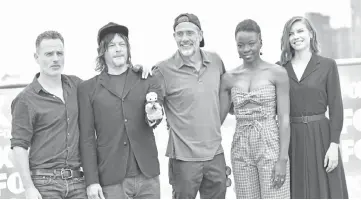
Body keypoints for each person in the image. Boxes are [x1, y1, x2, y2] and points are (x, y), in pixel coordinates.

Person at [77, 22, 164, 199]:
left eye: (122, 44)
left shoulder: (146, 78)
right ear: (102, 51)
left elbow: (154, 115)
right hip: (111, 179)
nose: (118, 49)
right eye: (112, 45)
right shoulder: (87, 89)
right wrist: (91, 181)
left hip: (148, 175)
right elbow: (86, 139)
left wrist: (154, 116)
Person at [150, 13, 228, 199]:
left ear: (200, 35)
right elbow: (152, 110)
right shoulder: (162, 70)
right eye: (179, 34)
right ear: (174, 37)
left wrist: (215, 126)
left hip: (216, 155)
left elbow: (225, 97)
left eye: (189, 33)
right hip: (183, 161)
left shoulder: (216, 61)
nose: (184, 38)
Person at [277, 16, 348, 199]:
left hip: (321, 137)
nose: (296, 37)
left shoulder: (327, 65)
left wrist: (334, 145)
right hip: (292, 139)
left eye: (300, 31)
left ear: (310, 34)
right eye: (291, 33)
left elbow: (336, 108)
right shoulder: (279, 69)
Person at [10, 31, 87, 199]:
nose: (55, 59)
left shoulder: (76, 86)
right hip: (44, 185)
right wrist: (29, 187)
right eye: (49, 54)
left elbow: (104, 88)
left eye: (60, 53)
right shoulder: (25, 99)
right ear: (36, 57)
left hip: (78, 183)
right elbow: (19, 146)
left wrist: (133, 70)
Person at [220, 19, 291, 199]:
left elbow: (284, 119)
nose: (246, 49)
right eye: (240, 45)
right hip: (241, 145)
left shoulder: (277, 73)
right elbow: (218, 119)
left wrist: (282, 159)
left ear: (260, 42)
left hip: (270, 142)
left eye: (251, 43)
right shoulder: (229, 78)